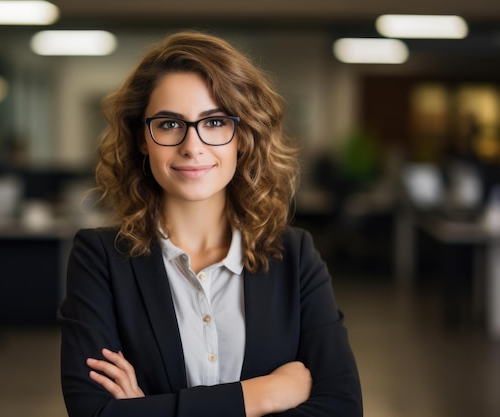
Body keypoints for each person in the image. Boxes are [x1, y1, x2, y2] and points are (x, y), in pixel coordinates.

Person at [58, 31, 363, 417]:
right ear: (142, 139)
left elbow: (342, 408)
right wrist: (261, 395)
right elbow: (94, 413)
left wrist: (151, 410)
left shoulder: (295, 256)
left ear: (243, 136)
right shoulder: (100, 258)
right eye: (169, 124)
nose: (192, 145)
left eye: (215, 122)